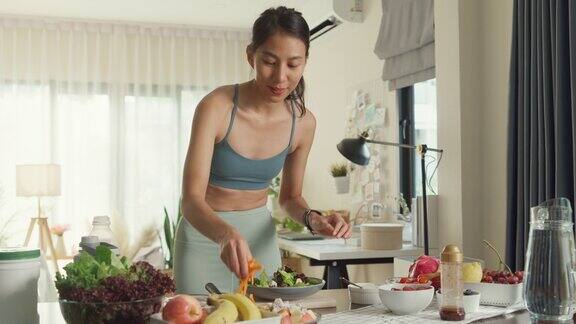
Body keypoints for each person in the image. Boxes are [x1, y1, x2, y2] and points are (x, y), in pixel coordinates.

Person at [174, 6, 352, 294]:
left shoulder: (303, 123)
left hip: (260, 242)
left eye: (293, 64)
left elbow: (291, 198)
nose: (280, 77)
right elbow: (191, 200)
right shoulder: (216, 107)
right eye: (269, 61)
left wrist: (314, 219)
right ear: (250, 56)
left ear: (305, 61)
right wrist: (224, 235)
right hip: (204, 239)